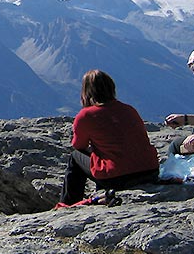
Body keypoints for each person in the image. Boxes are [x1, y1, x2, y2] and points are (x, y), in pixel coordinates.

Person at [58, 70, 159, 206]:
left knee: (75, 157)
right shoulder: (129, 109)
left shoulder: (86, 116)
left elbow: (79, 146)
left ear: (86, 92)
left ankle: (68, 204)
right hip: (150, 171)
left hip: (117, 178)